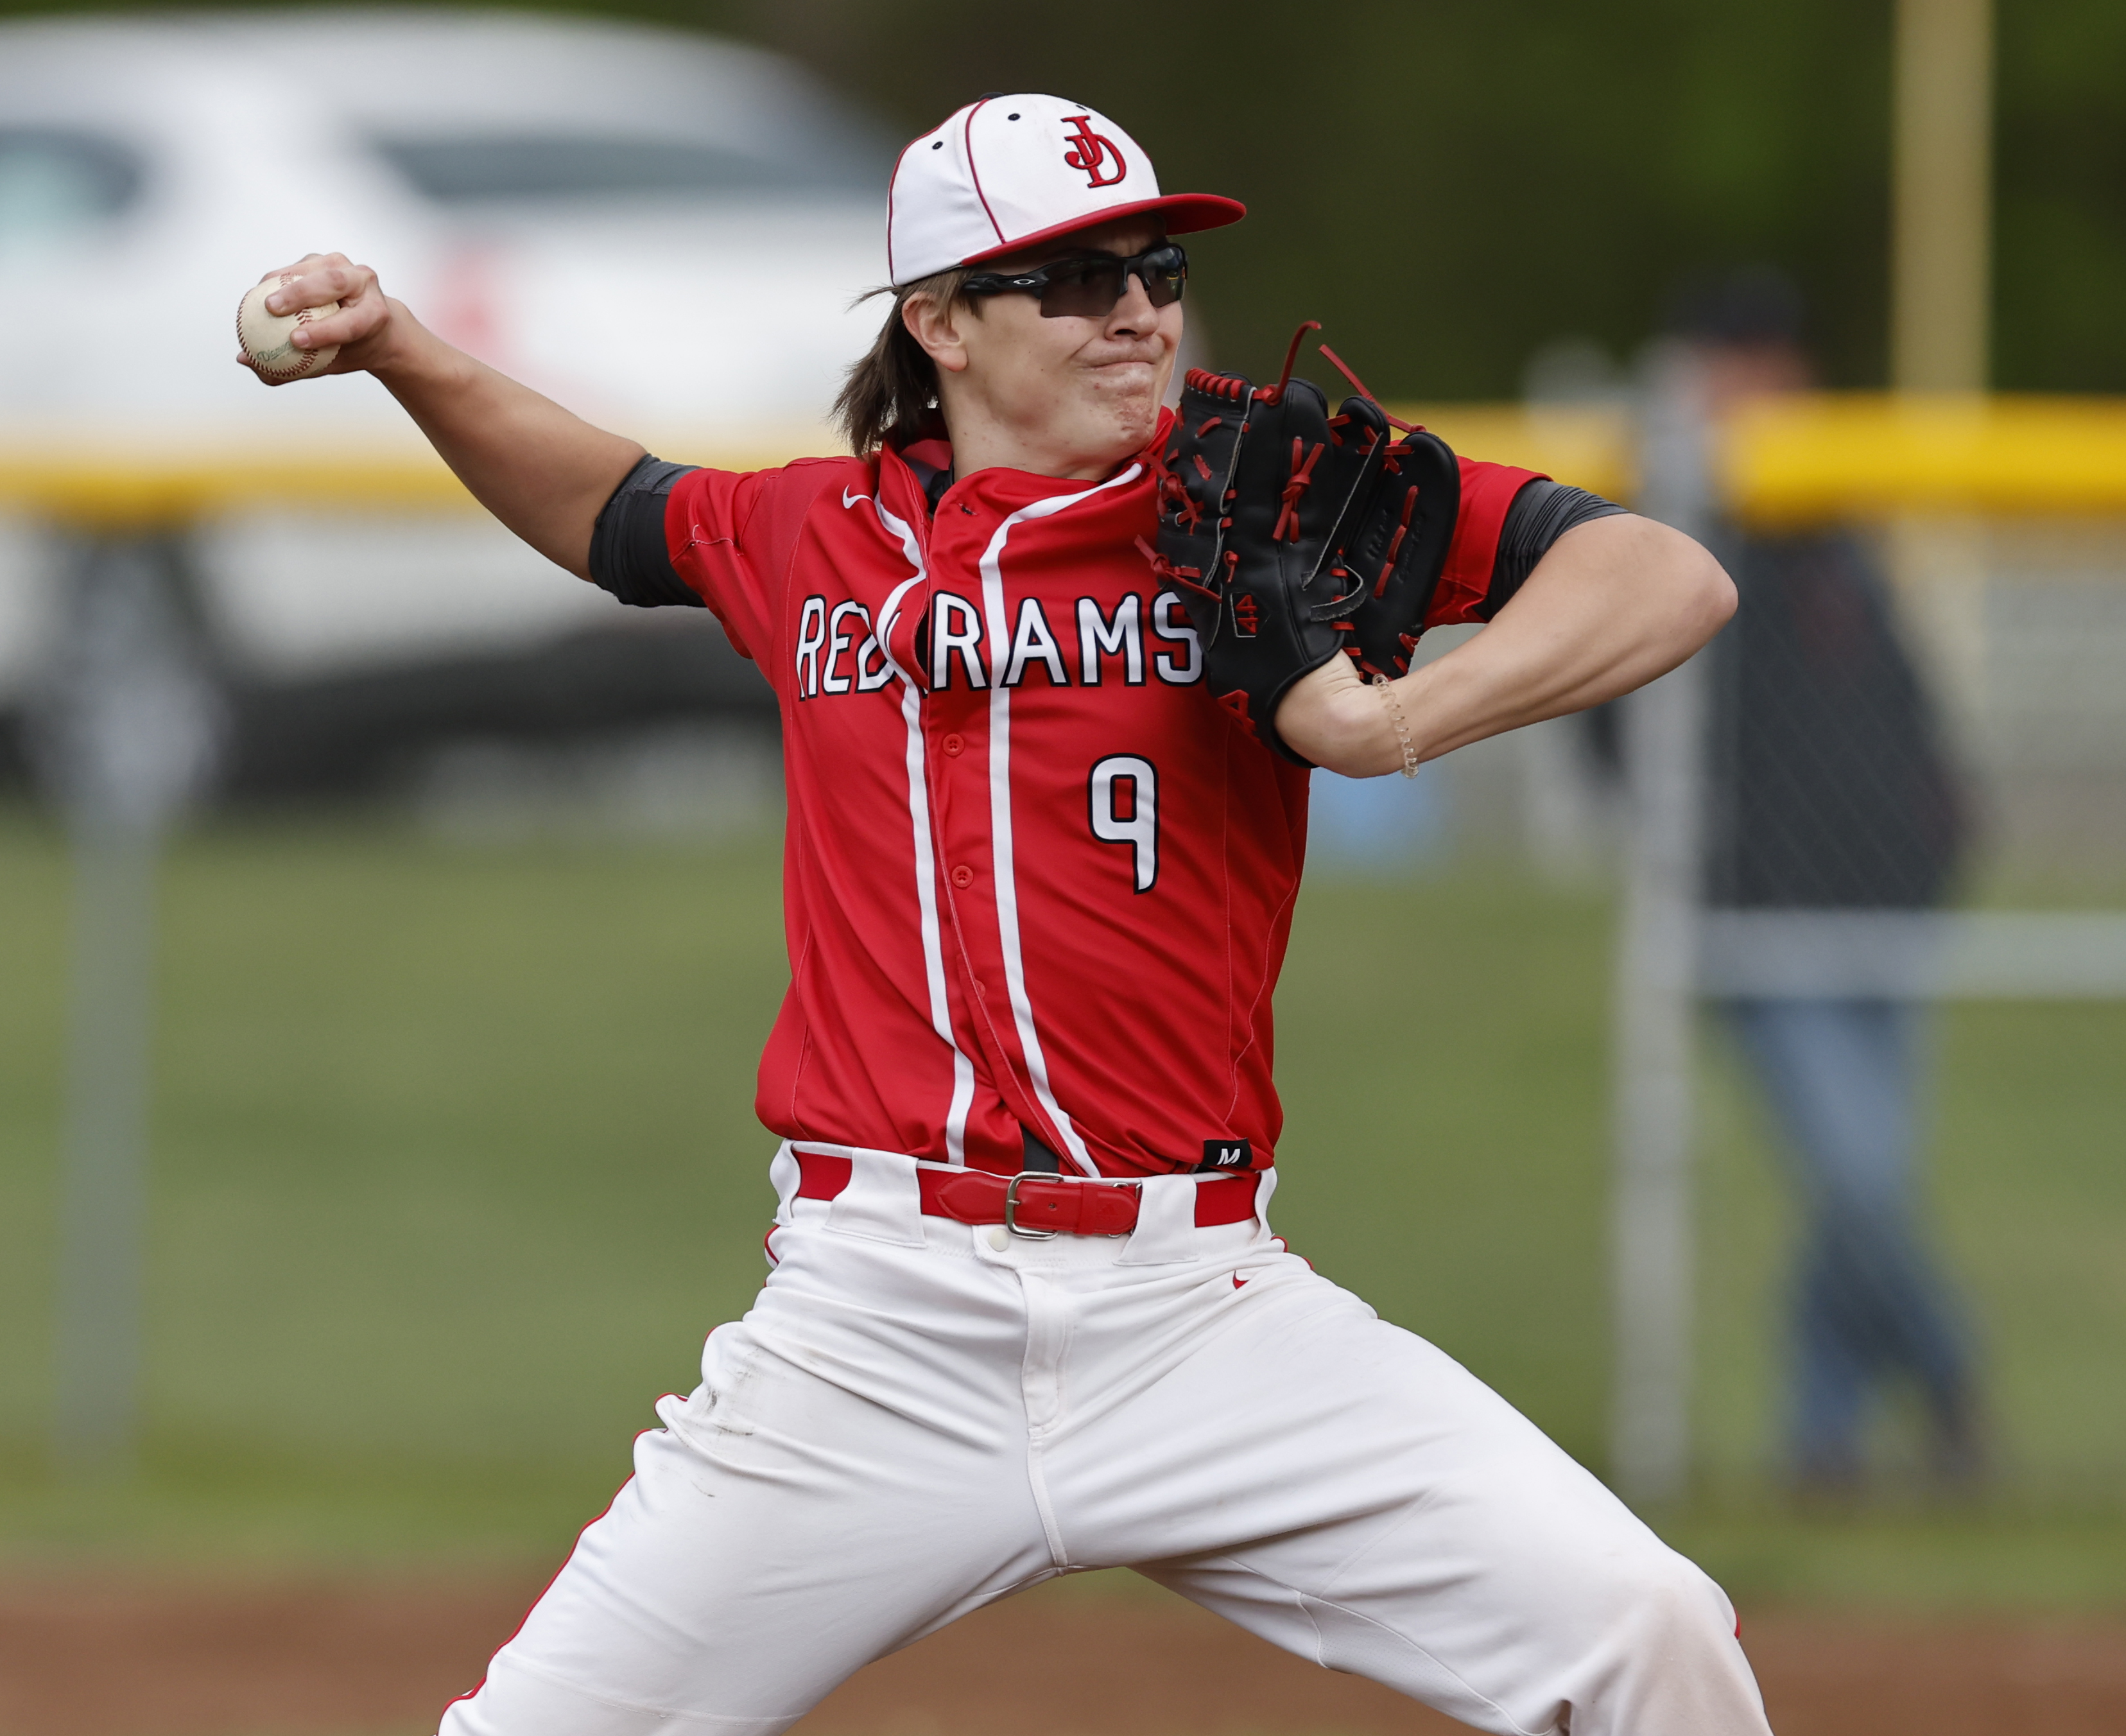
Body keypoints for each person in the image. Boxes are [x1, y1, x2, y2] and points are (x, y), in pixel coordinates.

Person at [246, 94, 1766, 1736]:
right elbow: (614, 511)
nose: (1138, 309)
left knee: (1650, 1632)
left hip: (1202, 1313)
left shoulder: (1255, 492)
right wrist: (403, 348)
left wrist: (1388, 724)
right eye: (1075, 275)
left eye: (1157, 270)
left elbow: (1668, 575)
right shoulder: (814, 538)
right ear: (940, 322)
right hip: (878, 1319)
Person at [1681, 270, 1983, 1493]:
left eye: (1777, 356)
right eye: (1739, 357)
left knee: (1859, 1193)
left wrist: (1937, 830)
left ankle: (1824, 1440)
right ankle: (1954, 1375)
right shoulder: (1675, 524)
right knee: (1859, 1180)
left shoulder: (1833, 527)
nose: (1767, 379)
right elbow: (1609, 724)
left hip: (1881, 910)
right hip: (1756, 917)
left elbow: (1904, 707)